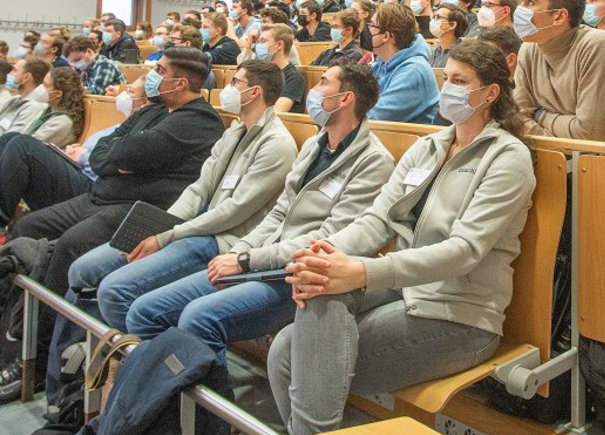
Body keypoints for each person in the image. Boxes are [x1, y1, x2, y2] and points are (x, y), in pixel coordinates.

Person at [266, 39, 535, 435]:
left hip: (459, 312)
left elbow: (464, 252)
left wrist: (361, 271)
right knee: (293, 334)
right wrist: (321, 255)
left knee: (300, 362)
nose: (448, 89)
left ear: (491, 93)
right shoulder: (429, 146)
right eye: (446, 78)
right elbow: (377, 221)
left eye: (460, 81)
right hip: (406, 291)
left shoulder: (507, 157)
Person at [110, 62, 395, 363]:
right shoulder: (314, 144)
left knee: (199, 317)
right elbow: (278, 214)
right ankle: (163, 399)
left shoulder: (373, 161)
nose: (314, 90)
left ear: (346, 98)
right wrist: (240, 252)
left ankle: (205, 408)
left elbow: (326, 239)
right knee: (145, 310)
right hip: (262, 259)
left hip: (297, 276)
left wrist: (246, 260)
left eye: (323, 83)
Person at [0, 49, 224, 400]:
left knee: (72, 247)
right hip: (98, 196)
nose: (153, 75)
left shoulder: (199, 120)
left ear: (180, 82)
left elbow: (123, 154)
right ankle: (13, 340)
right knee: (30, 226)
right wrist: (116, 157)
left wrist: (118, 157)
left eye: (160, 70)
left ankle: (41, 358)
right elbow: (106, 149)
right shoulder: (152, 109)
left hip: (136, 209)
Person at [63, 60, 297, 336]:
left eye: (236, 82)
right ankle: (77, 359)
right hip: (191, 228)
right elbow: (199, 188)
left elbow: (233, 212)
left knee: (115, 290)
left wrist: (169, 235)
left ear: (255, 92)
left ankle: (135, 361)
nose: (228, 88)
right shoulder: (233, 131)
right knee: (83, 269)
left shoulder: (277, 144)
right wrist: (162, 225)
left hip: (219, 240)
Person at [0, 79, 148, 230]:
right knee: (9, 138)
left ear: (145, 102)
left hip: (91, 185)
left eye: (130, 92)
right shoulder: (122, 124)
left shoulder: (139, 134)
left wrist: (83, 156)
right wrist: (74, 151)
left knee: (22, 145)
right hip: (76, 167)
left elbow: (113, 165)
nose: (123, 95)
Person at [513, 0, 605, 140]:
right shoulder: (528, 48)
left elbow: (593, 134)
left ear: (559, 16)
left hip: (599, 160)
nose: (519, 9)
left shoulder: (598, 45)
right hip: (550, 156)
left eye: (530, 3)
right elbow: (517, 118)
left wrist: (539, 116)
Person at [366, 3, 439, 124]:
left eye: (371, 25)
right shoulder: (382, 62)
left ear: (386, 36)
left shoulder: (413, 71)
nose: (367, 30)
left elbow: (374, 117)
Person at [3, 66, 85, 147]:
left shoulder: (62, 121)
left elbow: (30, 145)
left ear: (57, 94)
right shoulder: (49, 110)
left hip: (30, 155)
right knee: (9, 137)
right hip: (22, 149)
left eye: (45, 85)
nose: (40, 87)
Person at [260, 24, 306, 113]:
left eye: (263, 41)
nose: (257, 46)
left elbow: (276, 113)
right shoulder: (261, 74)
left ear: (279, 45)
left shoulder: (294, 78)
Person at [0, 56, 49, 135]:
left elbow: (10, 138)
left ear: (26, 77)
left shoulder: (34, 107)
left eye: (14, 71)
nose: (9, 74)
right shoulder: (15, 99)